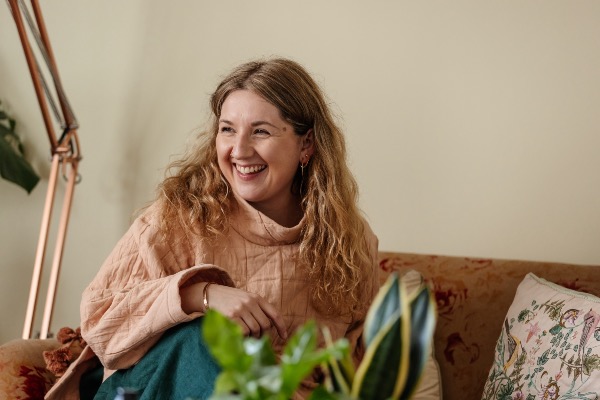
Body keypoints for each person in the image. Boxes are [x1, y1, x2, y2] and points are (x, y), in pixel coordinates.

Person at [45, 57, 380, 400]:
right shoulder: (179, 217)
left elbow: (358, 365)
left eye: (261, 131)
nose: (239, 150)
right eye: (228, 129)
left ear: (306, 144)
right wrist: (200, 295)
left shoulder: (350, 242)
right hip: (146, 389)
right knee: (207, 335)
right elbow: (99, 322)